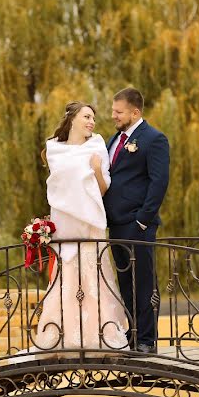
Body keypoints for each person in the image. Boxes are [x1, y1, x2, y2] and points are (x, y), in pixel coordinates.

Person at [33, 101, 129, 352]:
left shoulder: (97, 144)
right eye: (86, 116)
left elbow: (103, 188)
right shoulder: (54, 149)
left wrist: (97, 169)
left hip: (89, 222)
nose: (91, 122)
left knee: (93, 278)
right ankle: (60, 335)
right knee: (66, 280)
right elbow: (56, 186)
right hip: (65, 223)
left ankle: (97, 335)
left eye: (93, 118)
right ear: (72, 118)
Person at [102, 88, 170, 353]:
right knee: (125, 284)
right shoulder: (113, 140)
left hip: (138, 225)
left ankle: (147, 340)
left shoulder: (154, 139)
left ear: (135, 112)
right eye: (113, 111)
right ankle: (132, 335)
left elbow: (159, 182)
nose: (113, 116)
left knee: (144, 283)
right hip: (115, 224)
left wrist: (143, 219)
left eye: (118, 112)